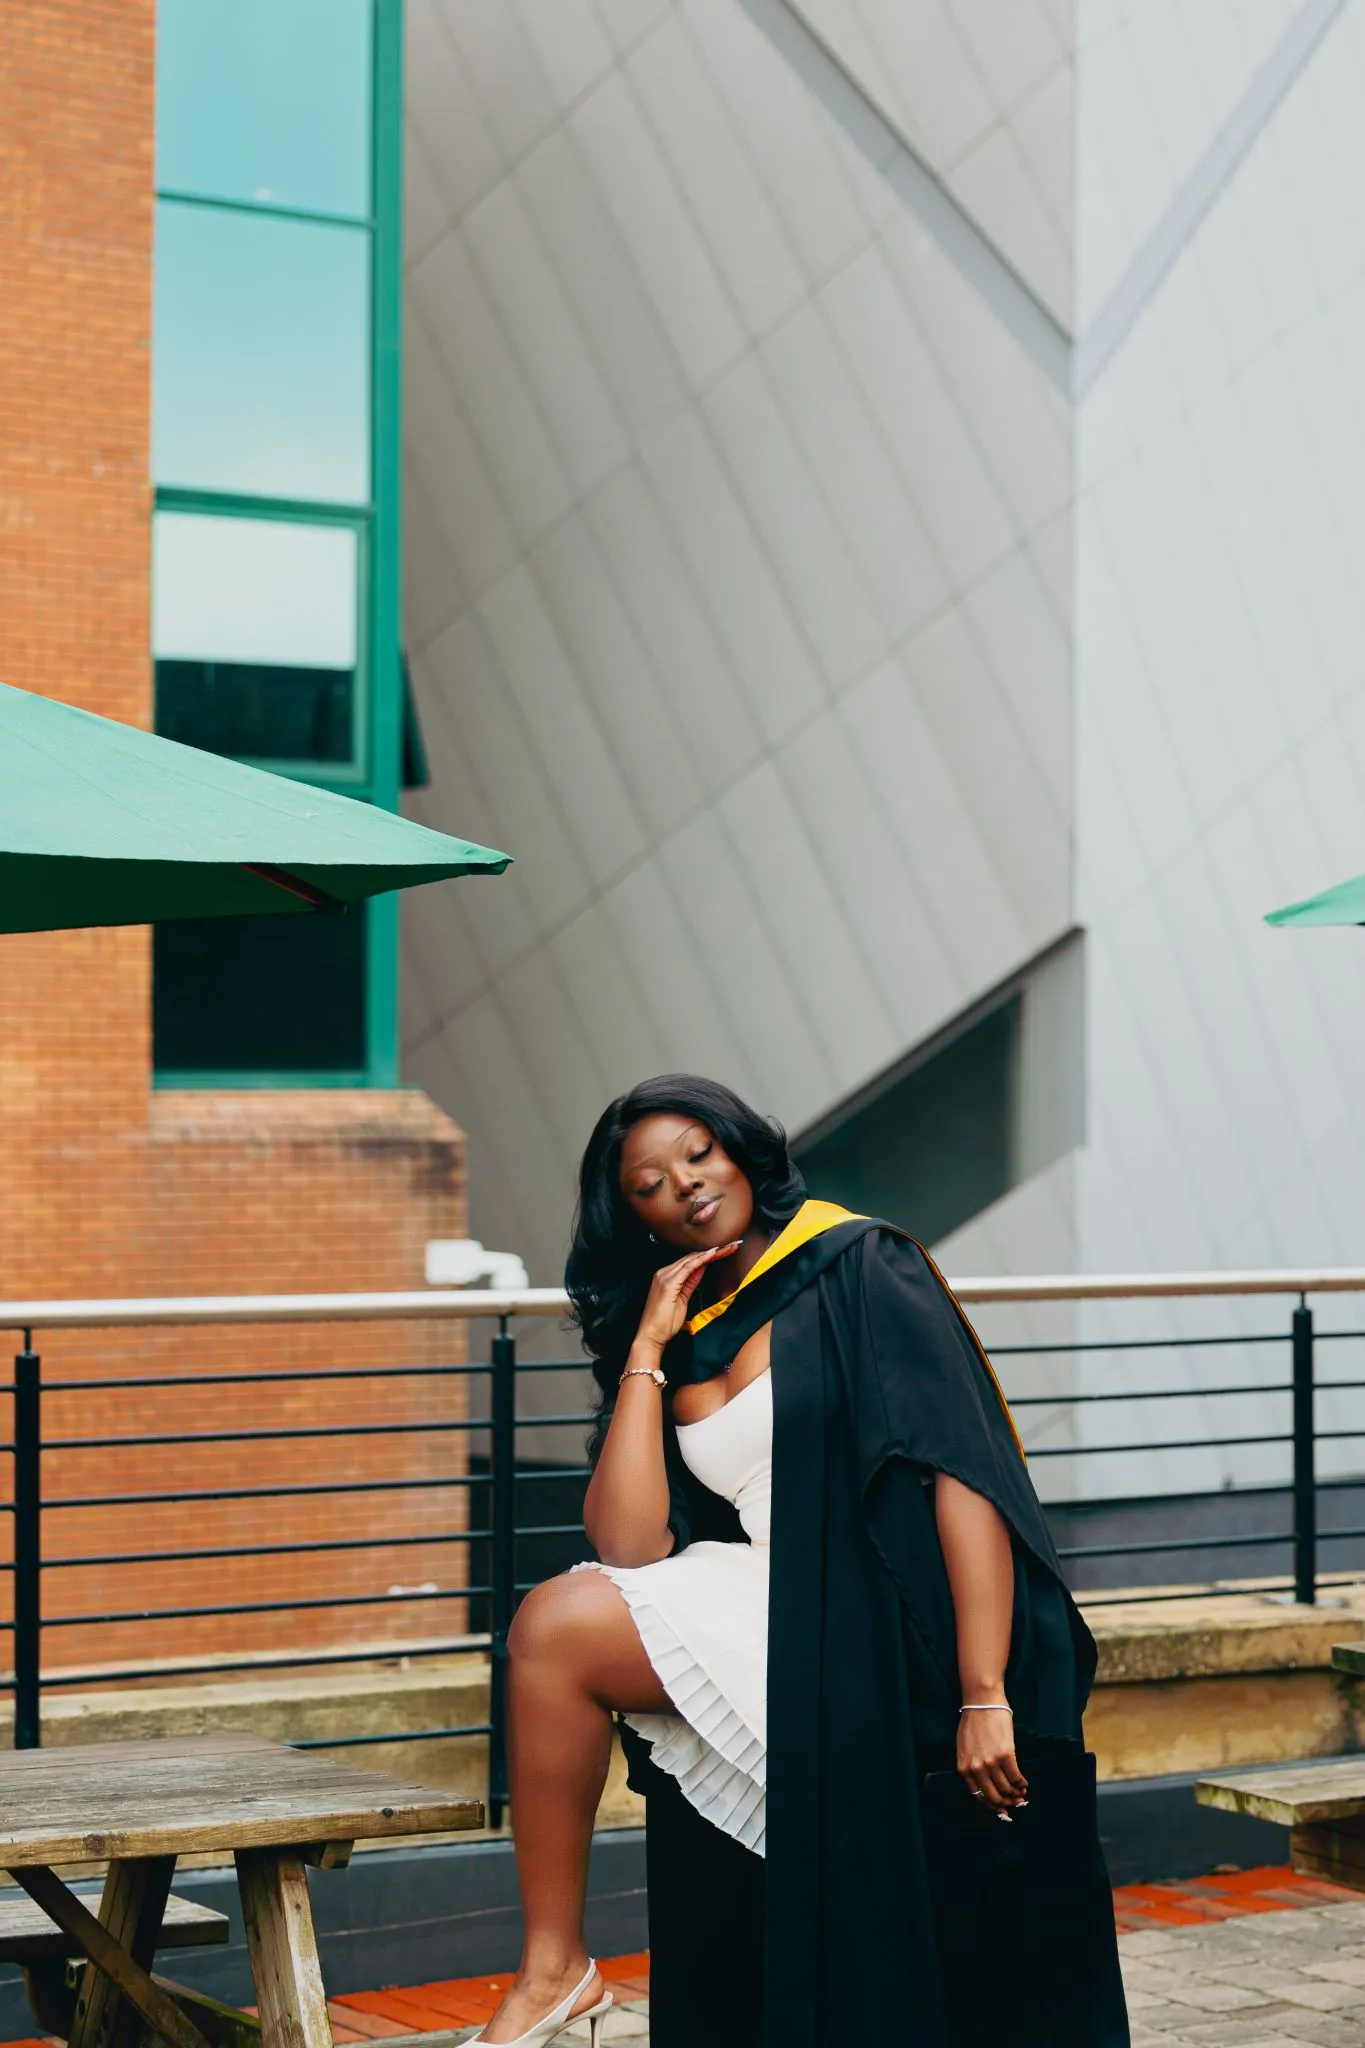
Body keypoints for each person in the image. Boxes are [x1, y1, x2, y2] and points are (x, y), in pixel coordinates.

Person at [472, 1075, 1129, 2048]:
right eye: (651, 1182)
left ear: (741, 1147)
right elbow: (630, 1544)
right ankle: (556, 1965)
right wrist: (647, 1348)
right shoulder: (680, 1328)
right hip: (769, 1587)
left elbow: (963, 1470)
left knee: (557, 1624)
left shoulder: (859, 1261)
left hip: (885, 1600)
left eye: (698, 1152)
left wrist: (983, 1687)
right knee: (556, 1623)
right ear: (636, 1216)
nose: (685, 1185)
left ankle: (566, 1971)